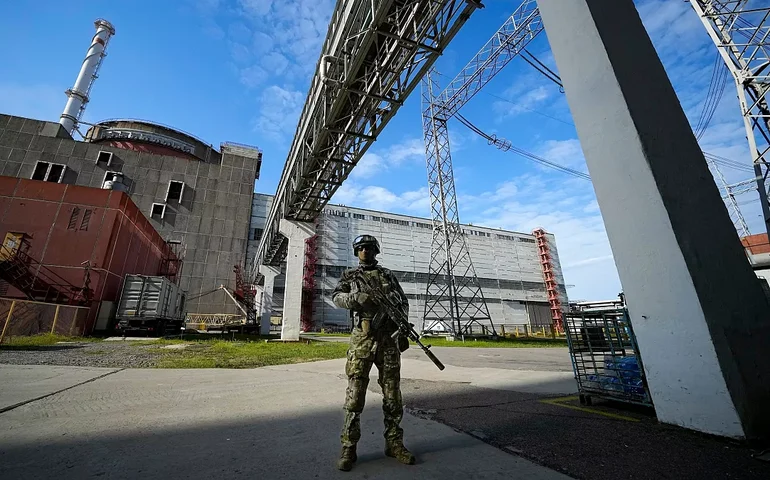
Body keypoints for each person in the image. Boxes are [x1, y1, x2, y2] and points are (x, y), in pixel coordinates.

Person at [331, 234, 416, 472]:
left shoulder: (388, 275)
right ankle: (349, 446)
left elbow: (403, 302)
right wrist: (354, 298)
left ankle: (394, 443)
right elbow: (335, 297)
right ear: (356, 252)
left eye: (369, 248)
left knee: (392, 395)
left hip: (388, 340)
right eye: (360, 248)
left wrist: (402, 326)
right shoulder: (350, 276)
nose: (365, 252)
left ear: (376, 251)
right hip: (362, 340)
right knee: (355, 394)